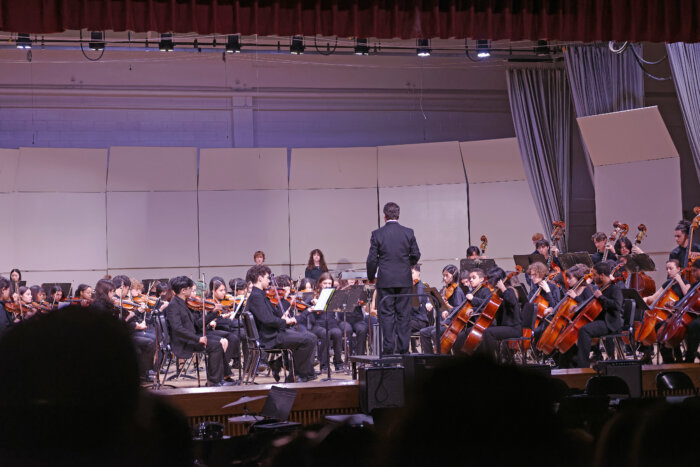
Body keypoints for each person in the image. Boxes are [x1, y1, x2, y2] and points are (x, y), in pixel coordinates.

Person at [245, 265, 317, 382]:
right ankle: (298, 376)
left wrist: (283, 318)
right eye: (268, 278)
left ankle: (294, 375)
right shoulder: (257, 297)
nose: (269, 281)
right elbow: (267, 320)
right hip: (270, 337)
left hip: (271, 333)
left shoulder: (259, 295)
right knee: (309, 339)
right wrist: (285, 321)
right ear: (260, 278)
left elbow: (270, 316)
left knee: (308, 337)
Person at [366, 202, 421, 355]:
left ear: (384, 215)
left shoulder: (377, 234)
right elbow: (416, 255)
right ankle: (403, 350)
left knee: (387, 315)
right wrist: (404, 265)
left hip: (386, 281)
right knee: (404, 314)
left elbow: (372, 259)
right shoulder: (408, 232)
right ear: (398, 215)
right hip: (404, 280)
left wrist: (371, 277)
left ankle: (389, 350)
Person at [164, 276, 232, 387]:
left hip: (191, 337)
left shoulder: (183, 303)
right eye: (190, 289)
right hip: (184, 342)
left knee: (219, 341)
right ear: (183, 290)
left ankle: (222, 378)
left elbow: (197, 324)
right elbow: (177, 329)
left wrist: (213, 313)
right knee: (215, 346)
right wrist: (198, 338)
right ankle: (214, 382)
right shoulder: (173, 306)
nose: (192, 292)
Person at [574, 262, 623, 368]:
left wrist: (601, 297)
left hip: (611, 322)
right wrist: (577, 308)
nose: (593, 277)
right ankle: (574, 362)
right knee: (579, 327)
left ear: (602, 275)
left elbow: (617, 306)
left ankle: (583, 366)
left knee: (584, 330)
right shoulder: (601, 288)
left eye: (595, 275)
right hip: (601, 321)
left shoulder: (614, 288)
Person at [309, 272, 351, 372]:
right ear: (320, 284)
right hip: (318, 324)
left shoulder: (335, 296)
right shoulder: (314, 295)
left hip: (332, 323)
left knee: (338, 333)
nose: (327, 286)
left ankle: (338, 363)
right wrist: (314, 302)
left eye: (329, 283)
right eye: (325, 283)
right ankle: (324, 365)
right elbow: (307, 305)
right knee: (325, 333)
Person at [677, 259, 700, 363]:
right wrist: (674, 304)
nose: (693, 273)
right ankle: (676, 356)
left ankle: (690, 358)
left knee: (694, 326)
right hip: (696, 315)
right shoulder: (696, 285)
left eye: (695, 270)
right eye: (692, 271)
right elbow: (686, 299)